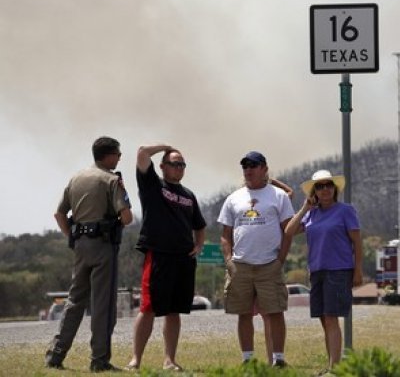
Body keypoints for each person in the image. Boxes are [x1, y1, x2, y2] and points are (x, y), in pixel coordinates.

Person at [45, 136, 133, 372]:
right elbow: (127, 217)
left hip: (81, 246)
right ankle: (99, 360)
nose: (120, 157)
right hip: (103, 247)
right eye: (118, 153)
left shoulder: (76, 178)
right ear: (109, 155)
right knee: (103, 304)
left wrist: (72, 237)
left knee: (74, 302)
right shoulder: (111, 180)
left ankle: (56, 355)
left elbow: (59, 214)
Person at [125, 144, 207, 372]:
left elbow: (200, 226)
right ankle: (135, 360)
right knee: (148, 308)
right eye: (175, 163)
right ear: (162, 166)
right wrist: (166, 146)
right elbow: (141, 152)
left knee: (174, 310)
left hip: (183, 258)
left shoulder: (189, 195)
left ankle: (169, 360)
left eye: (182, 164)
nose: (179, 168)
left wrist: (198, 245)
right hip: (159, 255)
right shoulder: (153, 184)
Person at [217, 151, 295, 367]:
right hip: (240, 265)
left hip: (269, 264)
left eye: (253, 165)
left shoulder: (278, 196)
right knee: (243, 313)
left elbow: (287, 231)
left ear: (264, 169)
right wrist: (229, 260)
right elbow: (225, 234)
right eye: (245, 166)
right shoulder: (233, 198)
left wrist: (280, 259)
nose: (248, 170)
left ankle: (278, 359)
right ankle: (247, 359)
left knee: (275, 311)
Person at [284, 169, 363, 375]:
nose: (325, 189)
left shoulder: (346, 211)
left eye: (328, 185)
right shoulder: (311, 213)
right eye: (320, 186)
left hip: (339, 270)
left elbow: (357, 241)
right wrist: (303, 208)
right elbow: (289, 231)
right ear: (314, 192)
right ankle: (331, 365)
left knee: (330, 317)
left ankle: (335, 369)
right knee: (323, 319)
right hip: (317, 271)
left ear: (334, 189)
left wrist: (358, 270)